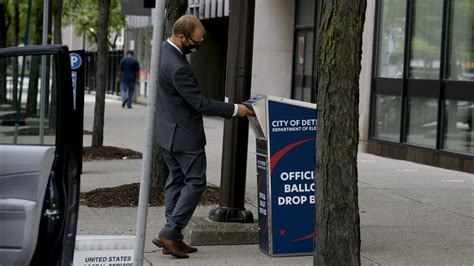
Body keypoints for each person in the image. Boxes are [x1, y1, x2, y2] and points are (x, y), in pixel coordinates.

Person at [151, 15, 254, 259]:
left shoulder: (162, 53)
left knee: (177, 180)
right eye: (196, 41)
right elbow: (200, 103)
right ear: (181, 36)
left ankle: (173, 237)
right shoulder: (176, 66)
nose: (199, 45)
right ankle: (170, 232)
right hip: (184, 135)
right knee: (195, 183)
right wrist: (234, 109)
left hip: (168, 132)